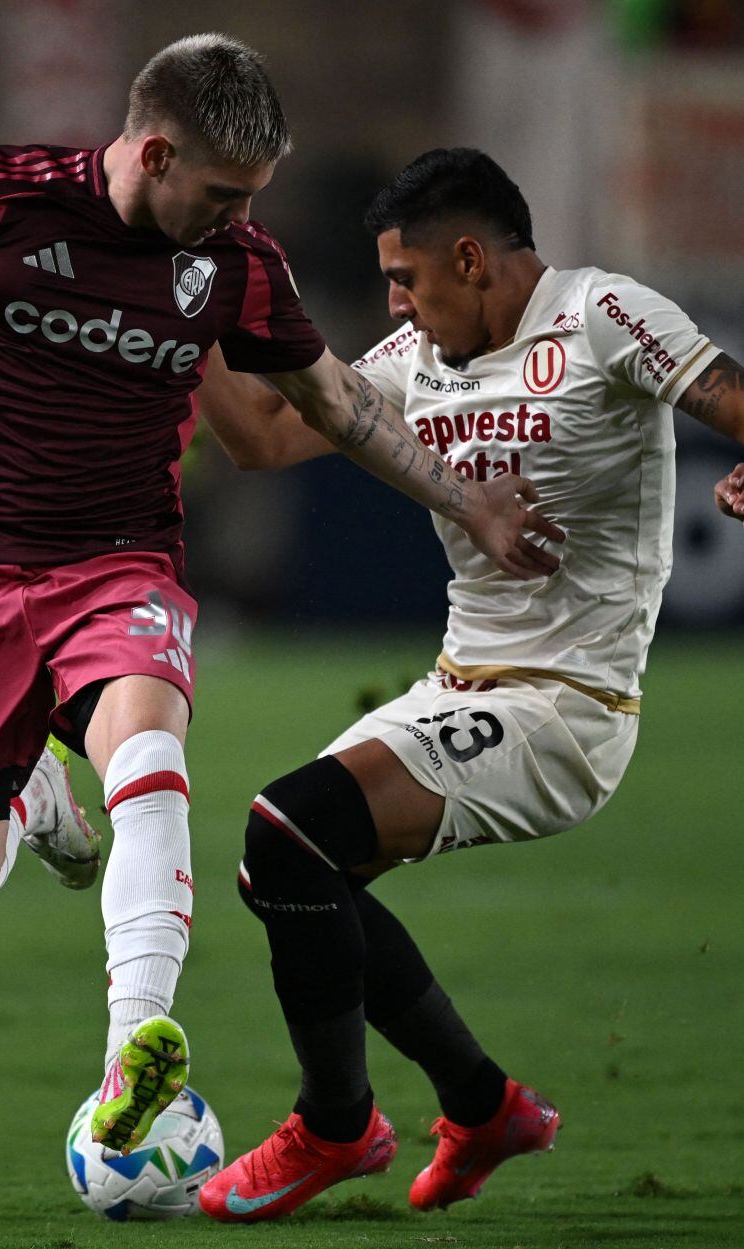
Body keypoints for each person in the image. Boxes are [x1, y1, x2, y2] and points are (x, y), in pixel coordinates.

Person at [0, 44, 562, 1156]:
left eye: (252, 198)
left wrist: (469, 503)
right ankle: (30, 784)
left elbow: (332, 404)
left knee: (147, 755)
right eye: (222, 192)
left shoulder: (235, 263)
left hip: (118, 562)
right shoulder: (2, 194)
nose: (235, 215)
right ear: (157, 149)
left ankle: (136, 1050)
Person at [193, 147, 744, 1220]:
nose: (394, 301)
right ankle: (483, 1104)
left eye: (404, 279)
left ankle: (336, 1125)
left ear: (467, 257)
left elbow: (731, 397)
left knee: (286, 828)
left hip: (567, 708)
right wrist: (196, 312)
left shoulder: (601, 316)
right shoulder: (415, 357)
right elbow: (259, 437)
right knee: (290, 874)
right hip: (458, 683)